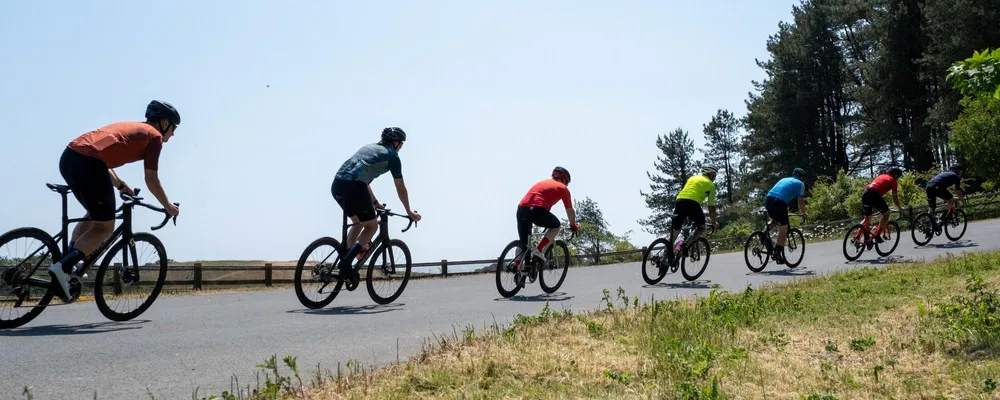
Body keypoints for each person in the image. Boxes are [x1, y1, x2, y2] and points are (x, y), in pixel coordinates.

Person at [48, 100, 182, 302]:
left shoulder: (132, 128)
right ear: (164, 122)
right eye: (173, 128)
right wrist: (168, 206)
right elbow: (151, 179)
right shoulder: (154, 137)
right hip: (88, 163)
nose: (173, 134)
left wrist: (121, 186)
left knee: (95, 217)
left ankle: (69, 260)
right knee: (105, 227)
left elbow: (99, 157)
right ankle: (63, 267)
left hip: (70, 157)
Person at [331, 127, 421, 287]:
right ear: (395, 142)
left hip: (338, 185)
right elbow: (401, 187)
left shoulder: (369, 148)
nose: (401, 148)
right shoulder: (392, 156)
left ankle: (346, 262)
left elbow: (363, 179)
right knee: (372, 226)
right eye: (401, 144)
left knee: (358, 223)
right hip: (355, 186)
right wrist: (409, 211)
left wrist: (375, 203)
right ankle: (346, 264)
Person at [515, 167, 580, 282]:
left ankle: (519, 270)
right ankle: (539, 250)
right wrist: (573, 225)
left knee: (523, 243)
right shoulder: (563, 188)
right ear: (565, 180)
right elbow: (570, 211)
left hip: (521, 209)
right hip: (537, 210)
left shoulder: (543, 182)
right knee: (556, 225)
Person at [668, 166, 719, 263]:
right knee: (701, 227)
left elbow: (689, 192)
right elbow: (711, 206)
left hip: (679, 201)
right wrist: (713, 222)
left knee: (676, 230)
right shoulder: (711, 185)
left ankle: (664, 255)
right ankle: (684, 245)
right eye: (714, 174)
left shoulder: (692, 178)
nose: (715, 177)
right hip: (693, 203)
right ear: (709, 174)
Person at [764, 168, 808, 264]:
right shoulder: (800, 184)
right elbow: (801, 202)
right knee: (784, 227)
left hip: (769, 199)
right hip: (779, 202)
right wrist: (804, 213)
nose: (803, 181)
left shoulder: (784, 179)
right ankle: (777, 253)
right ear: (801, 177)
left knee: (775, 220)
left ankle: (763, 234)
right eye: (803, 179)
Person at [861, 167, 904, 242]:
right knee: (886, 214)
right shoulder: (893, 181)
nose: (898, 179)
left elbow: (878, 187)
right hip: (874, 193)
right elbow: (895, 197)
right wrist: (899, 207)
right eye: (899, 177)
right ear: (896, 175)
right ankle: (877, 235)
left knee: (868, 217)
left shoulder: (881, 176)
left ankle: (858, 237)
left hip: (865, 192)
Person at [925, 164, 966, 231]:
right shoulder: (956, 176)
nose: (961, 174)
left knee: (932, 208)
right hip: (937, 187)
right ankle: (941, 219)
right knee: (951, 200)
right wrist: (964, 203)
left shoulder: (945, 174)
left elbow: (945, 193)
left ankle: (927, 226)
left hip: (928, 186)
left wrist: (950, 198)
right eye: (961, 172)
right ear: (958, 171)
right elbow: (958, 192)